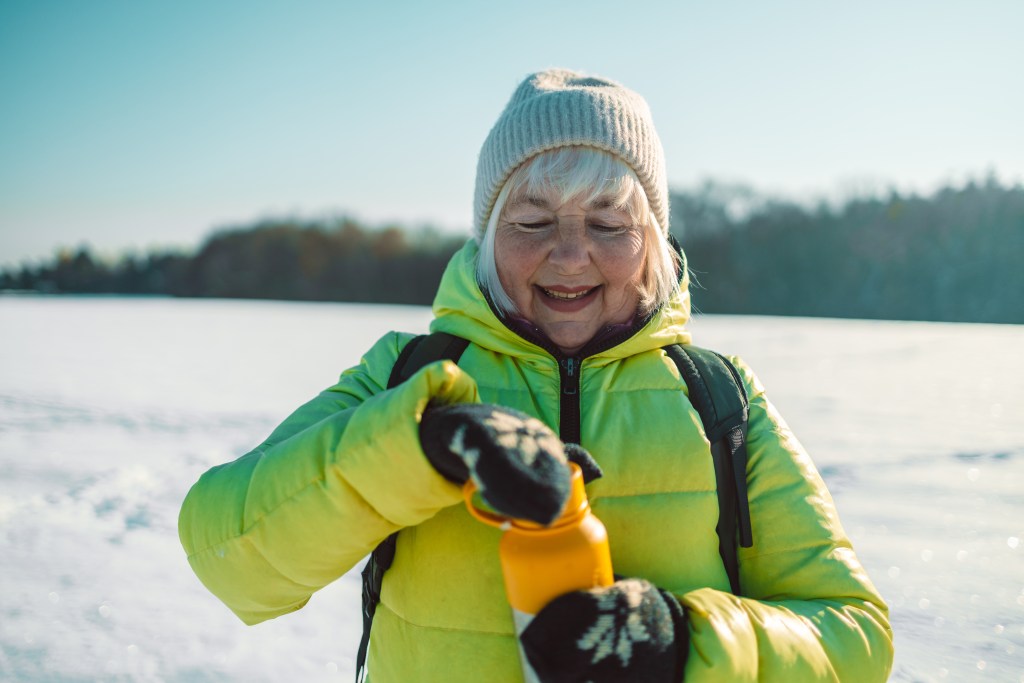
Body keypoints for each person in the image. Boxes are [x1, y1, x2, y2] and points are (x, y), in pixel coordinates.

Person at [179, 69, 894, 682]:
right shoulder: (410, 377)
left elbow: (857, 636)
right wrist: (416, 446)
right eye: (533, 221)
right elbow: (228, 556)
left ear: (651, 242)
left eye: (609, 224)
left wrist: (686, 645)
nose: (571, 255)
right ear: (488, 238)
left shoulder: (720, 399)